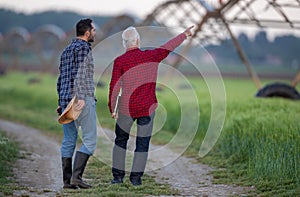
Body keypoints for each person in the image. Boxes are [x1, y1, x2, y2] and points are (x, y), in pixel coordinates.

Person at [108, 26, 194, 186]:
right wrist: (184, 35)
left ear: (124, 44)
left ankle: (117, 178)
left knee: (120, 141)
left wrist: (113, 108)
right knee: (142, 143)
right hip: (147, 107)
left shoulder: (120, 61)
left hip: (126, 108)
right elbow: (168, 47)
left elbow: (114, 86)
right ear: (138, 41)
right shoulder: (151, 56)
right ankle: (136, 180)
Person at [56, 18, 97, 189]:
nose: (94, 32)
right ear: (87, 32)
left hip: (66, 100)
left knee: (69, 139)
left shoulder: (66, 50)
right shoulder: (83, 48)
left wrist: (60, 102)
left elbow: (61, 79)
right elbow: (80, 74)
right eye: (93, 30)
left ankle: (67, 181)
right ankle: (76, 178)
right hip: (81, 99)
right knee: (90, 140)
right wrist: (81, 97)